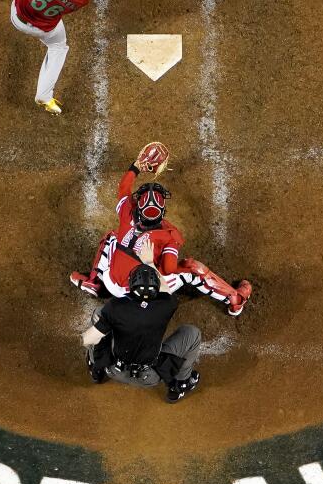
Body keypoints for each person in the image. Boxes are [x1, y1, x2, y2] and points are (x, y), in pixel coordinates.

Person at [69, 145, 253, 316]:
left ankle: (94, 281)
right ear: (162, 211)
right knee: (192, 268)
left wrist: (136, 166)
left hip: (111, 282)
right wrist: (153, 260)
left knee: (112, 237)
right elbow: (168, 268)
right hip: (141, 293)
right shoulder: (169, 235)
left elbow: (123, 186)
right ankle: (235, 300)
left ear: (138, 207)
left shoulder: (127, 211)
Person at [81, 264, 202, 403]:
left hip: (114, 370)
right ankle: (180, 385)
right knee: (192, 333)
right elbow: (165, 288)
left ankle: (96, 369)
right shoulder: (167, 304)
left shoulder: (115, 306)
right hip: (150, 378)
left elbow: (90, 338)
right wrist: (150, 263)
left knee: (99, 315)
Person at [11, 0, 99, 115]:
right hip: (42, 29)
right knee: (58, 47)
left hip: (17, 15)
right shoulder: (81, 0)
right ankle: (44, 95)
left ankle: (44, 95)